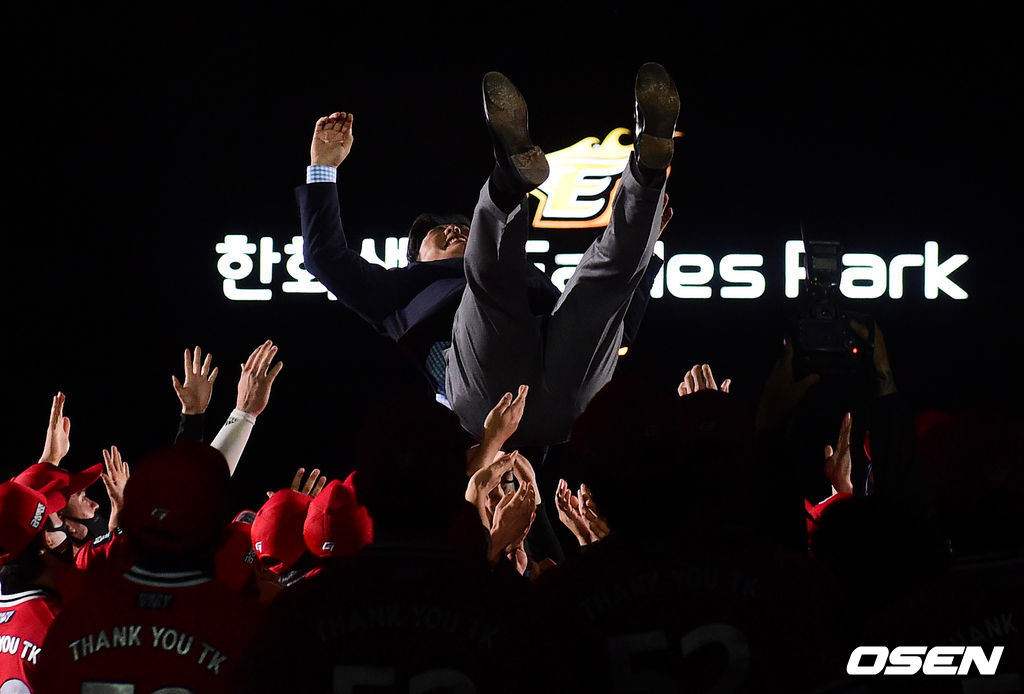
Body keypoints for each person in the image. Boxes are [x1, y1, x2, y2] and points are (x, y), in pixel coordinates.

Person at [299, 63, 677, 445]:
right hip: (489, 399)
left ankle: (647, 171)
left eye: (460, 226)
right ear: (414, 260)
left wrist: (641, 246)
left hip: (569, 399)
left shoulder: (526, 277)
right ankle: (509, 180)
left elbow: (613, 323)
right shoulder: (397, 294)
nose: (453, 228)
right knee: (489, 281)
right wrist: (322, 167)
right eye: (437, 231)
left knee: (600, 280)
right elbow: (323, 255)